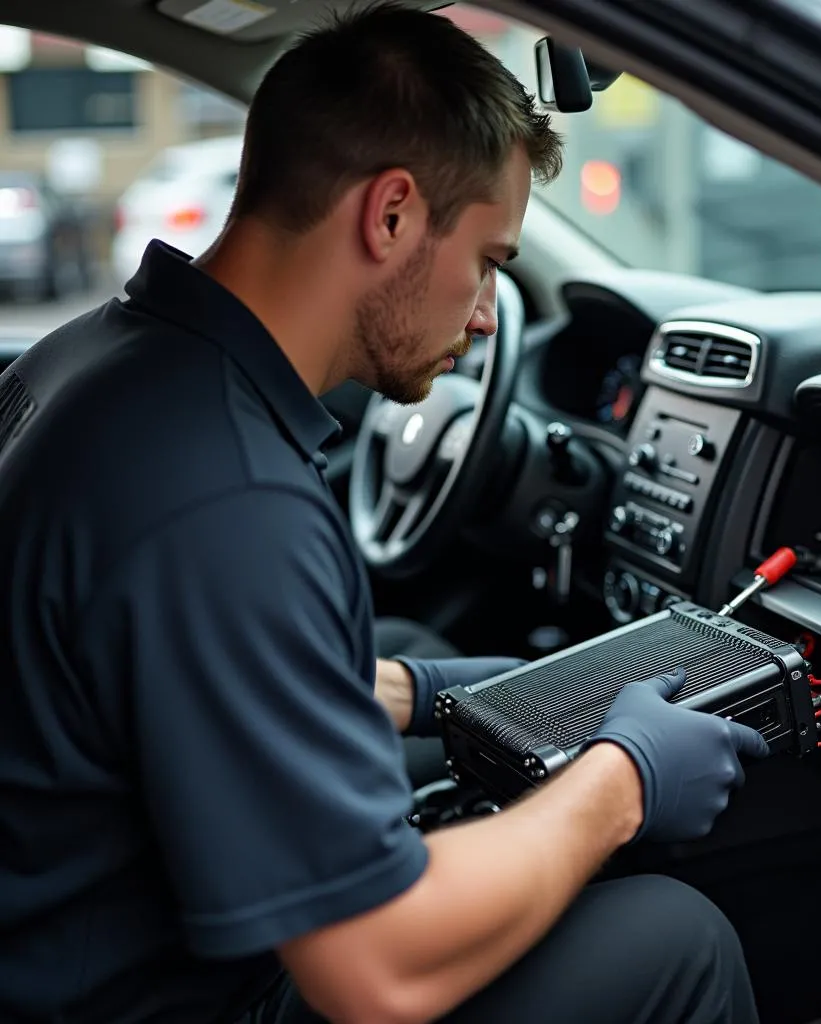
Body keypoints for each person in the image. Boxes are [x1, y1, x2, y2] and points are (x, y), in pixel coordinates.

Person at [0, 5, 769, 1023]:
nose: (491, 311)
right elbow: (373, 968)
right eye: (490, 261)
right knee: (675, 939)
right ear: (392, 214)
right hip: (158, 998)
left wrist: (430, 688)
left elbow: (163, 657)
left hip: (66, 929)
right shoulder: (226, 500)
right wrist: (620, 779)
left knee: (410, 654)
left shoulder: (99, 360)